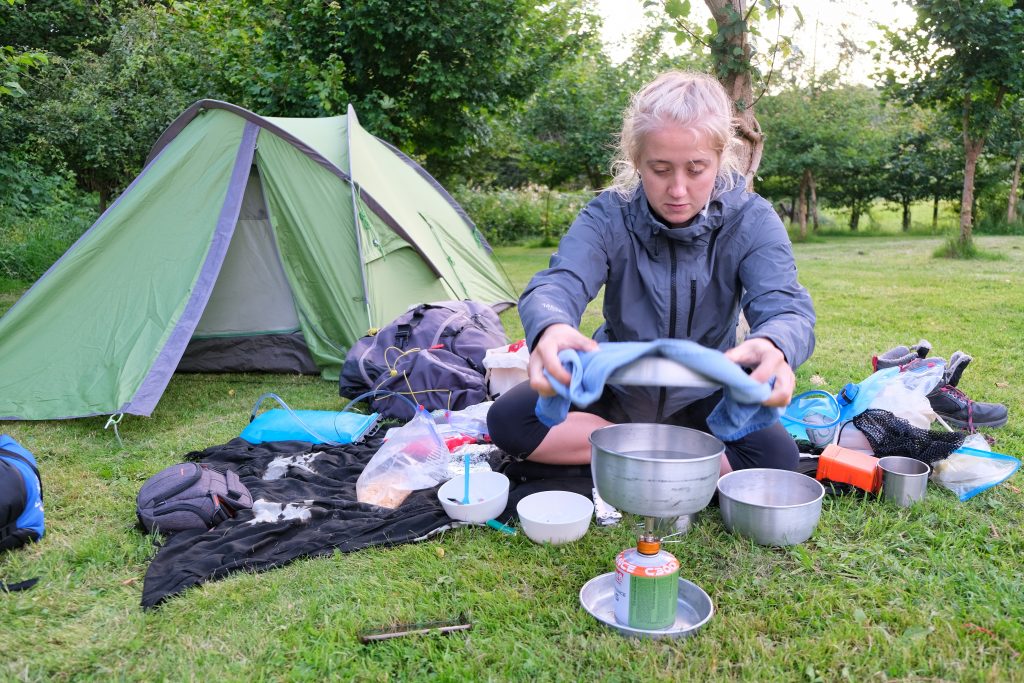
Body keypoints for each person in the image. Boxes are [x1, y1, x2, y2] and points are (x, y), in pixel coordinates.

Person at [486, 70, 815, 476]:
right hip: (615, 385)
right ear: (637, 160)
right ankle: (653, 448)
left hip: (705, 390)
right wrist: (551, 326)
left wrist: (776, 344)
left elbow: (786, 307)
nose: (678, 190)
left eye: (696, 169)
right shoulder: (608, 214)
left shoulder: (753, 220)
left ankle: (624, 450)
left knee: (776, 460)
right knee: (508, 420)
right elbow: (560, 282)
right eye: (661, 169)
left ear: (720, 158)